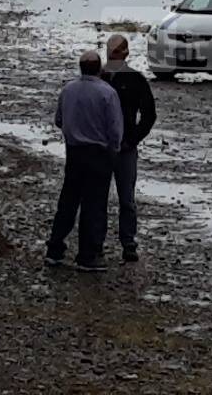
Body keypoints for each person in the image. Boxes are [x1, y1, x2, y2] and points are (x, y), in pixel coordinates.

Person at [45, 50, 123, 273]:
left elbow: (59, 120)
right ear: (99, 68)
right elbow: (115, 129)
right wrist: (114, 151)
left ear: (80, 67)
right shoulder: (107, 93)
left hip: (74, 152)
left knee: (68, 201)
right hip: (98, 154)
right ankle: (88, 255)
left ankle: (55, 249)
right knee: (95, 205)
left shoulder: (68, 90)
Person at [101, 34, 156, 262]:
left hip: (125, 149)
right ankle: (96, 242)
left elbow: (149, 115)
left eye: (117, 52)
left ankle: (128, 242)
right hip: (101, 149)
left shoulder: (135, 80)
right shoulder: (98, 77)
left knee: (126, 199)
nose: (112, 55)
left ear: (126, 53)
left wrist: (132, 140)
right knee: (98, 198)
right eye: (110, 51)